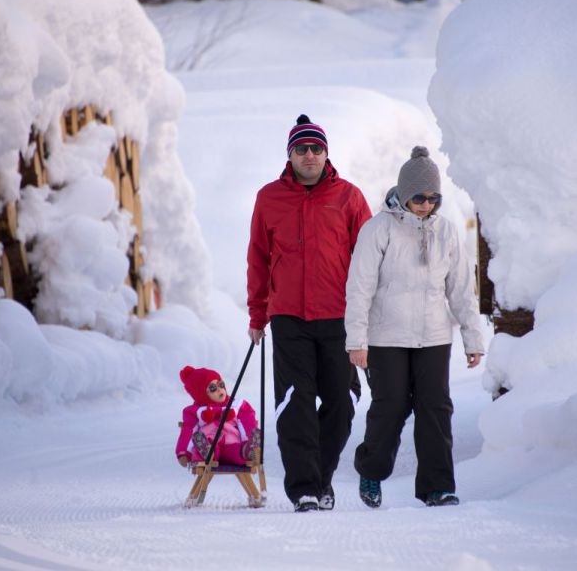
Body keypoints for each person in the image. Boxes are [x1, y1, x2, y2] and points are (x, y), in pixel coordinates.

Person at [344, 146, 485, 508]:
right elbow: (359, 288)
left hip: (434, 336)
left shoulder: (447, 232)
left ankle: (437, 487)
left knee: (435, 407)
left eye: (433, 198)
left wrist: (472, 338)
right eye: (419, 198)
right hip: (386, 336)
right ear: (404, 195)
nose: (426, 205)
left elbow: (460, 289)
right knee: (390, 406)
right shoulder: (378, 230)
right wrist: (356, 341)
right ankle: (371, 471)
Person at [246, 114, 372, 512]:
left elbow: (368, 261)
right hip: (289, 318)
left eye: (317, 148)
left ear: (326, 153)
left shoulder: (349, 197)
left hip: (340, 317)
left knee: (344, 399)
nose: (310, 155)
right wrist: (256, 314)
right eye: (302, 149)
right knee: (294, 404)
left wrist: (368, 317)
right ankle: (304, 489)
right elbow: (258, 259)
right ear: (290, 154)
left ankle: (321, 477)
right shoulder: (269, 198)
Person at [175, 365, 261, 467]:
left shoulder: (236, 405)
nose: (220, 390)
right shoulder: (194, 411)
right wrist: (184, 452)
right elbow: (188, 431)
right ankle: (206, 452)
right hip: (210, 442)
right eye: (213, 388)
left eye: (221, 384)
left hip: (232, 443)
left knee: (236, 451)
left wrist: (249, 437)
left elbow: (247, 421)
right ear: (201, 393)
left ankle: (248, 450)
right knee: (205, 448)